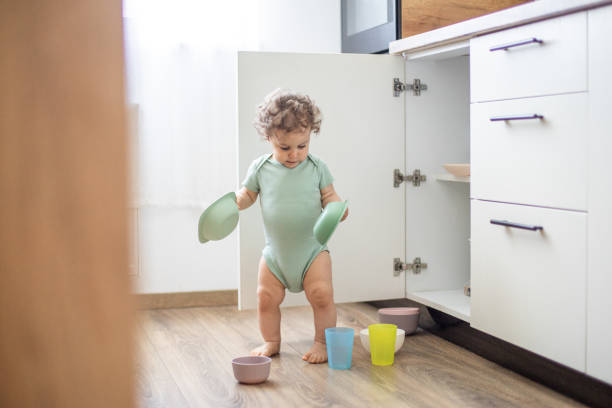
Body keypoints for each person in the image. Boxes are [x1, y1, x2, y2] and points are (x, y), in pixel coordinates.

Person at [235, 89, 348, 364]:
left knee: (322, 294)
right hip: (276, 254)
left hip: (312, 251)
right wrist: (232, 203)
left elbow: (330, 197)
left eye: (303, 145)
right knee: (265, 297)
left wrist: (338, 209)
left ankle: (321, 341)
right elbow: (247, 196)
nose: (294, 154)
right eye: (285, 147)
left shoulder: (317, 167)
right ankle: (271, 341)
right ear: (269, 137)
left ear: (310, 136)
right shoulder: (260, 168)